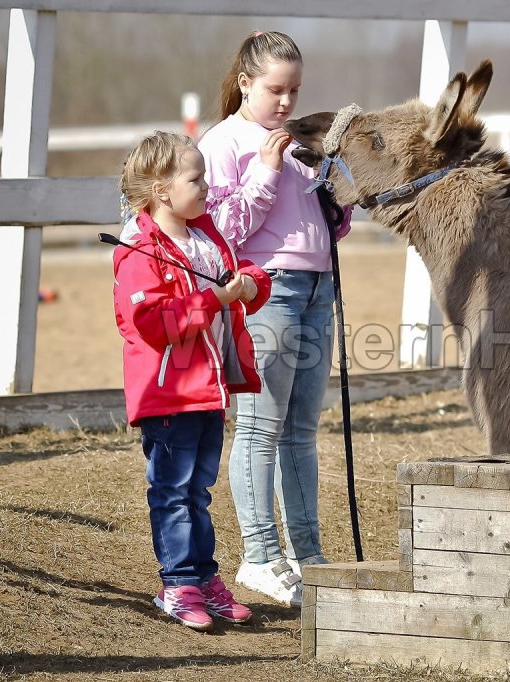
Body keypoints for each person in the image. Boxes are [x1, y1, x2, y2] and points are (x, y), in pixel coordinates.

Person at [198, 31, 353, 607]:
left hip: (317, 287)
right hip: (266, 288)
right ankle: (260, 555)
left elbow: (324, 227)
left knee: (300, 430)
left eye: (295, 90)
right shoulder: (224, 142)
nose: (287, 101)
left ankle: (308, 556)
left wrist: (337, 200)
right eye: (275, 89)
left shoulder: (298, 141)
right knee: (261, 428)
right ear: (245, 83)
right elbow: (221, 231)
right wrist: (265, 171)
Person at [113, 131, 272, 630]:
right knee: (173, 491)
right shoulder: (139, 249)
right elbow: (155, 322)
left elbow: (241, 272)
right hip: (169, 394)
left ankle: (205, 580)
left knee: (198, 491)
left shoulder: (204, 237)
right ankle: (178, 584)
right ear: (162, 190)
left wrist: (251, 284)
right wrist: (216, 299)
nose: (207, 187)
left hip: (209, 390)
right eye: (196, 179)